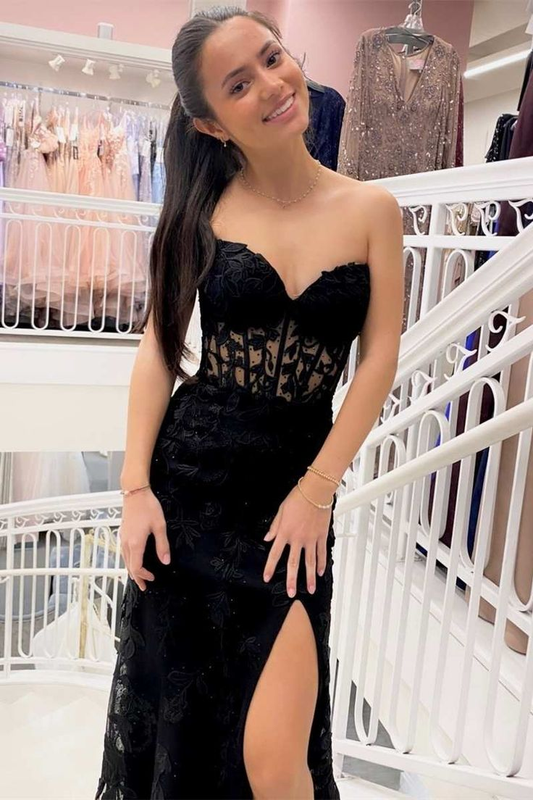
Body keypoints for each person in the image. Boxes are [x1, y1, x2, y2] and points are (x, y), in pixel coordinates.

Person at [95, 5, 403, 800]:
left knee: (275, 765)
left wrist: (316, 491)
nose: (271, 84)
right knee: (185, 727)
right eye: (238, 84)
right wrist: (135, 489)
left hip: (290, 504)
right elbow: (158, 348)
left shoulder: (372, 210)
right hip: (189, 488)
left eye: (272, 57)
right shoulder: (199, 214)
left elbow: (378, 361)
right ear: (209, 123)